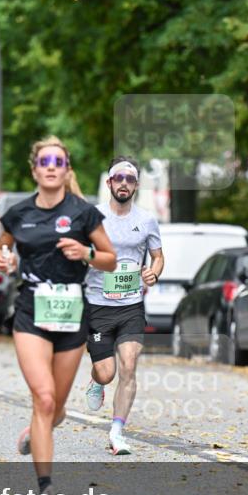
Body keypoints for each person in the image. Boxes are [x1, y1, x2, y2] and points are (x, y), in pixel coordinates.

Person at [0, 136, 116, 495]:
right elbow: (3, 246)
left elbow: (111, 260)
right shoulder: (18, 214)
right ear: (34, 169)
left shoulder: (83, 214)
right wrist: (4, 260)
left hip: (71, 315)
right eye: (44, 160)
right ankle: (46, 491)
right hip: (32, 310)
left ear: (66, 170)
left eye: (57, 161)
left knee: (56, 408)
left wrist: (87, 254)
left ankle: (37, 431)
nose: (50, 166)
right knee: (44, 399)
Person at [83, 157, 163, 455]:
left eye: (130, 179)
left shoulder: (146, 220)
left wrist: (154, 271)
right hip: (98, 305)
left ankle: (117, 431)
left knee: (129, 365)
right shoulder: (93, 217)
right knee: (106, 373)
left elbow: (157, 256)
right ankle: (95, 382)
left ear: (136, 185)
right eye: (119, 178)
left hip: (131, 305)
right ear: (110, 183)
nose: (124, 184)